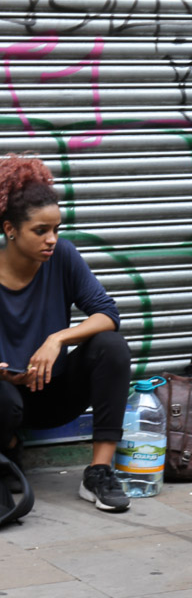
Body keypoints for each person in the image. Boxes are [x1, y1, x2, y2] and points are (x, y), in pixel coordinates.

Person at [0, 154, 132, 512]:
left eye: (56, 229)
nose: (52, 239)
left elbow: (107, 313)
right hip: (5, 399)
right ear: (10, 229)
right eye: (40, 231)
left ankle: (99, 471)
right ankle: (8, 449)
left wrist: (57, 338)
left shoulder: (62, 257)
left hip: (55, 394)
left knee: (112, 346)